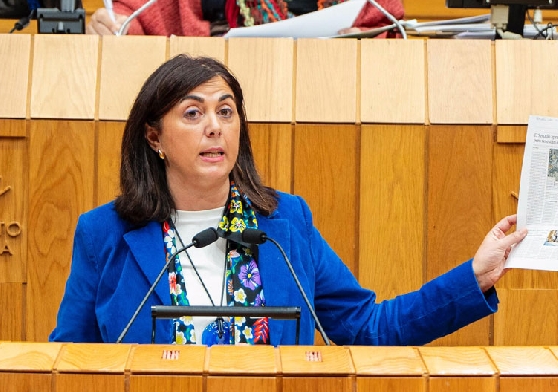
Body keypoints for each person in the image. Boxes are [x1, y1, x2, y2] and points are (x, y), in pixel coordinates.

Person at [49, 54, 527, 346]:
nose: (214, 126)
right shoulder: (105, 234)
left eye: (226, 111)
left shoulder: (285, 225)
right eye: (193, 113)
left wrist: (473, 277)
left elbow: (368, 328)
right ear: (154, 136)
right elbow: (69, 361)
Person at [87, 0, 404, 38]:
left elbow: (386, 24)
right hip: (201, 103)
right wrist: (111, 27)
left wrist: (363, 46)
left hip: (327, 97)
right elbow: (131, 19)